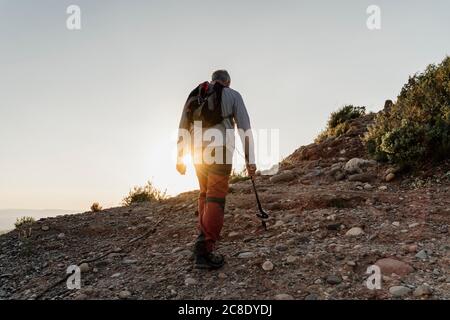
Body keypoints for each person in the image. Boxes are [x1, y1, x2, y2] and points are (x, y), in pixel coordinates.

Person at [176, 69, 256, 269]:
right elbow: (244, 127)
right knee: (216, 196)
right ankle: (204, 249)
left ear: (213, 80)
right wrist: (250, 159)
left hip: (196, 150)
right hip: (219, 149)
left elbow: (183, 125)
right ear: (227, 81)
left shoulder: (196, 94)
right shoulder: (233, 95)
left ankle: (202, 237)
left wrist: (180, 156)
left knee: (204, 193)